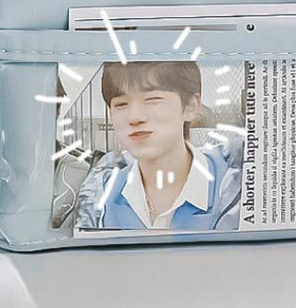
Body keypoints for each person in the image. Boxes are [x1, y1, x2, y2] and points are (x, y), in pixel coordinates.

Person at [76, 61, 241, 231]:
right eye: (121, 104)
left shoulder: (238, 185)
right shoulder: (101, 196)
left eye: (152, 99)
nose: (135, 117)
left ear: (190, 107)